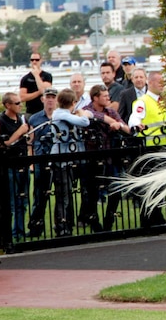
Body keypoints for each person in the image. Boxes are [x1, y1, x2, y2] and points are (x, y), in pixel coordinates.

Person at [86, 84, 131, 231]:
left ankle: (109, 219)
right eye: (104, 96)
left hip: (111, 157)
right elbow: (89, 116)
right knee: (92, 193)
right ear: (95, 98)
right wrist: (108, 120)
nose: (108, 98)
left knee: (116, 189)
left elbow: (126, 128)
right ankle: (94, 222)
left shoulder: (111, 111)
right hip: (93, 159)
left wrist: (117, 124)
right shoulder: (87, 110)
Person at [50, 89, 92, 236]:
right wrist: (83, 113)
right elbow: (85, 122)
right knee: (63, 195)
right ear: (73, 102)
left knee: (66, 193)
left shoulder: (63, 114)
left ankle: (65, 223)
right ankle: (61, 226)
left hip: (67, 158)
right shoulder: (61, 114)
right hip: (61, 158)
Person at [0, 92, 30, 240]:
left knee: (22, 199)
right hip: (10, 165)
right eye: (17, 103)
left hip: (23, 162)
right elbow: (5, 143)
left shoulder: (21, 118)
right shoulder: (1, 122)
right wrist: (20, 132)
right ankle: (8, 234)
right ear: (8, 105)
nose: (20, 105)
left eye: (20, 102)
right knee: (11, 201)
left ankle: (20, 231)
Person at [27, 88, 59, 238]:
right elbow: (30, 141)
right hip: (41, 159)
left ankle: (62, 225)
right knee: (39, 196)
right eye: (48, 97)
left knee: (62, 194)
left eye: (53, 97)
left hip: (58, 159)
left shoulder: (61, 116)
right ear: (43, 99)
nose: (50, 100)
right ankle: (36, 227)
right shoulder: (34, 118)